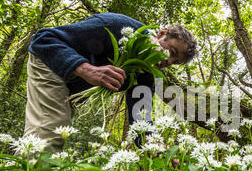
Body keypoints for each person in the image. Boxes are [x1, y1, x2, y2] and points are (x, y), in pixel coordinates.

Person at [25, 12, 197, 152]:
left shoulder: (147, 75)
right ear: (162, 33)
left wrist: (155, 146)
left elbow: (140, 119)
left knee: (54, 130)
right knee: (50, 131)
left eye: (175, 61)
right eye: (172, 51)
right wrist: (86, 69)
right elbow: (43, 39)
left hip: (72, 89)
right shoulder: (115, 25)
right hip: (51, 64)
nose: (168, 60)